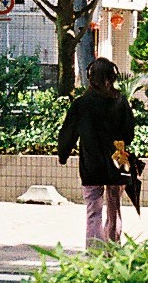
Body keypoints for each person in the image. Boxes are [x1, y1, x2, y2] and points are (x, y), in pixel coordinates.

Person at [58, 57, 136, 247]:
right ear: (113, 77)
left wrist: (63, 154)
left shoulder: (81, 104)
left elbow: (68, 133)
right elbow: (129, 133)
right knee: (114, 209)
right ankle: (113, 250)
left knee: (93, 210)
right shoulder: (121, 103)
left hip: (91, 165)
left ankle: (94, 254)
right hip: (116, 165)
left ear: (91, 78)